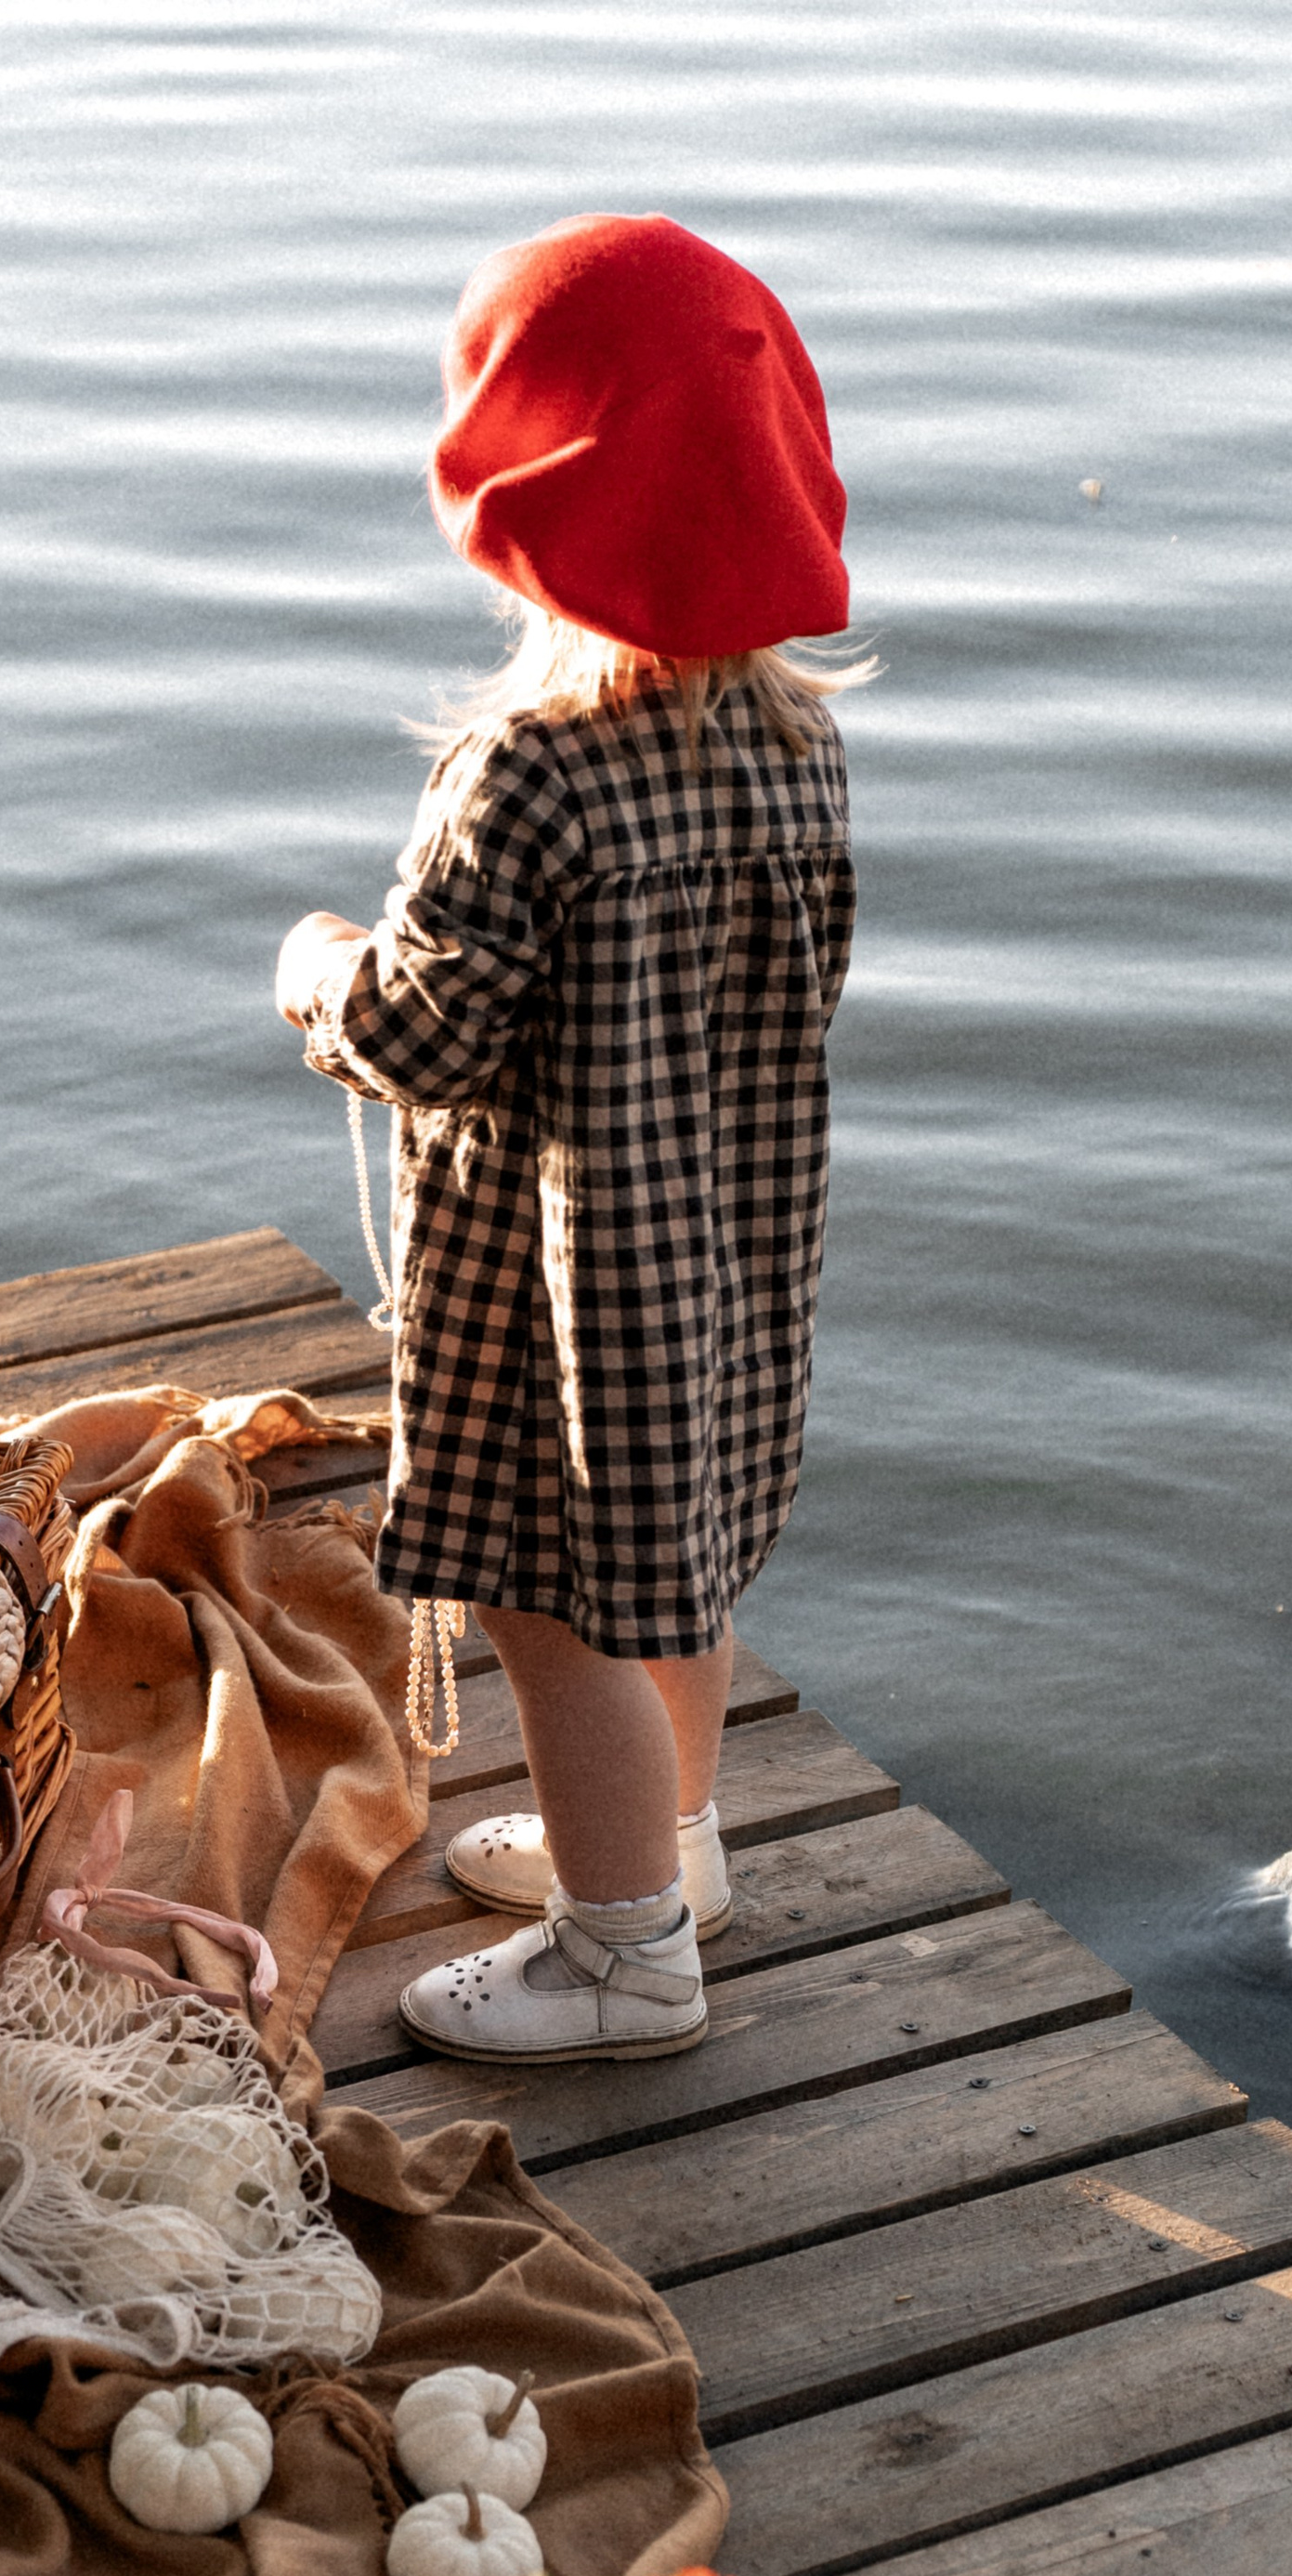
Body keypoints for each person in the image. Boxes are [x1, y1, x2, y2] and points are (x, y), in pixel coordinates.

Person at [275, 214, 864, 2064]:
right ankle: (668, 1854)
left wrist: (313, 977)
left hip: (556, 1295)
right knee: (670, 1568)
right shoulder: (797, 751)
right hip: (731, 1262)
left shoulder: (520, 775)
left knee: (552, 1609)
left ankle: (623, 1960)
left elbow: (422, 1036)